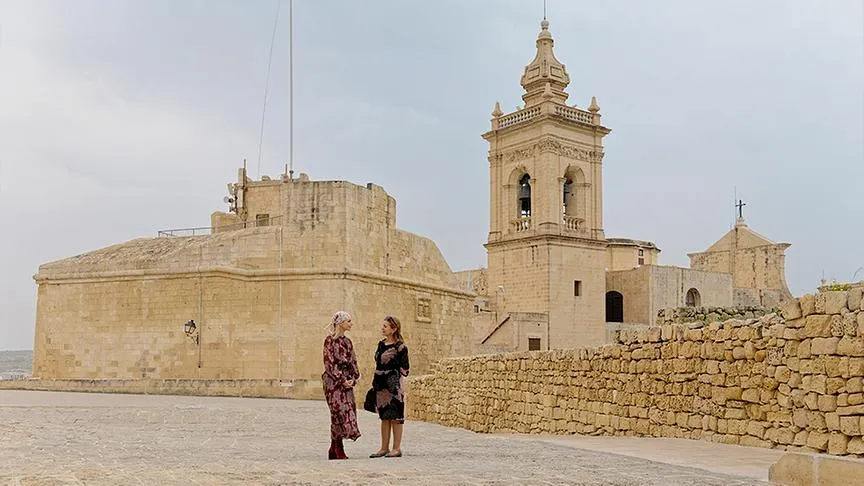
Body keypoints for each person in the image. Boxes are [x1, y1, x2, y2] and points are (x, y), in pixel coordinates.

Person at [369, 315, 410, 458]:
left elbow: (405, 369)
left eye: (385, 326)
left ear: (394, 329)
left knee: (396, 416)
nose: (382, 328)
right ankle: (384, 447)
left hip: (394, 386)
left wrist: (394, 377)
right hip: (380, 384)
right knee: (384, 416)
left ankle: (397, 448)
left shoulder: (401, 347)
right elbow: (378, 362)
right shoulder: (381, 344)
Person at [322, 311, 361, 460]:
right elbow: (328, 363)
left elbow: (353, 361)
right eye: (349, 321)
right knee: (337, 412)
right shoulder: (329, 341)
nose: (351, 324)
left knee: (347, 412)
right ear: (341, 323)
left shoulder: (348, 342)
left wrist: (353, 378)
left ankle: (334, 447)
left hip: (347, 382)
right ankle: (338, 447)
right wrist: (341, 379)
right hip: (333, 383)